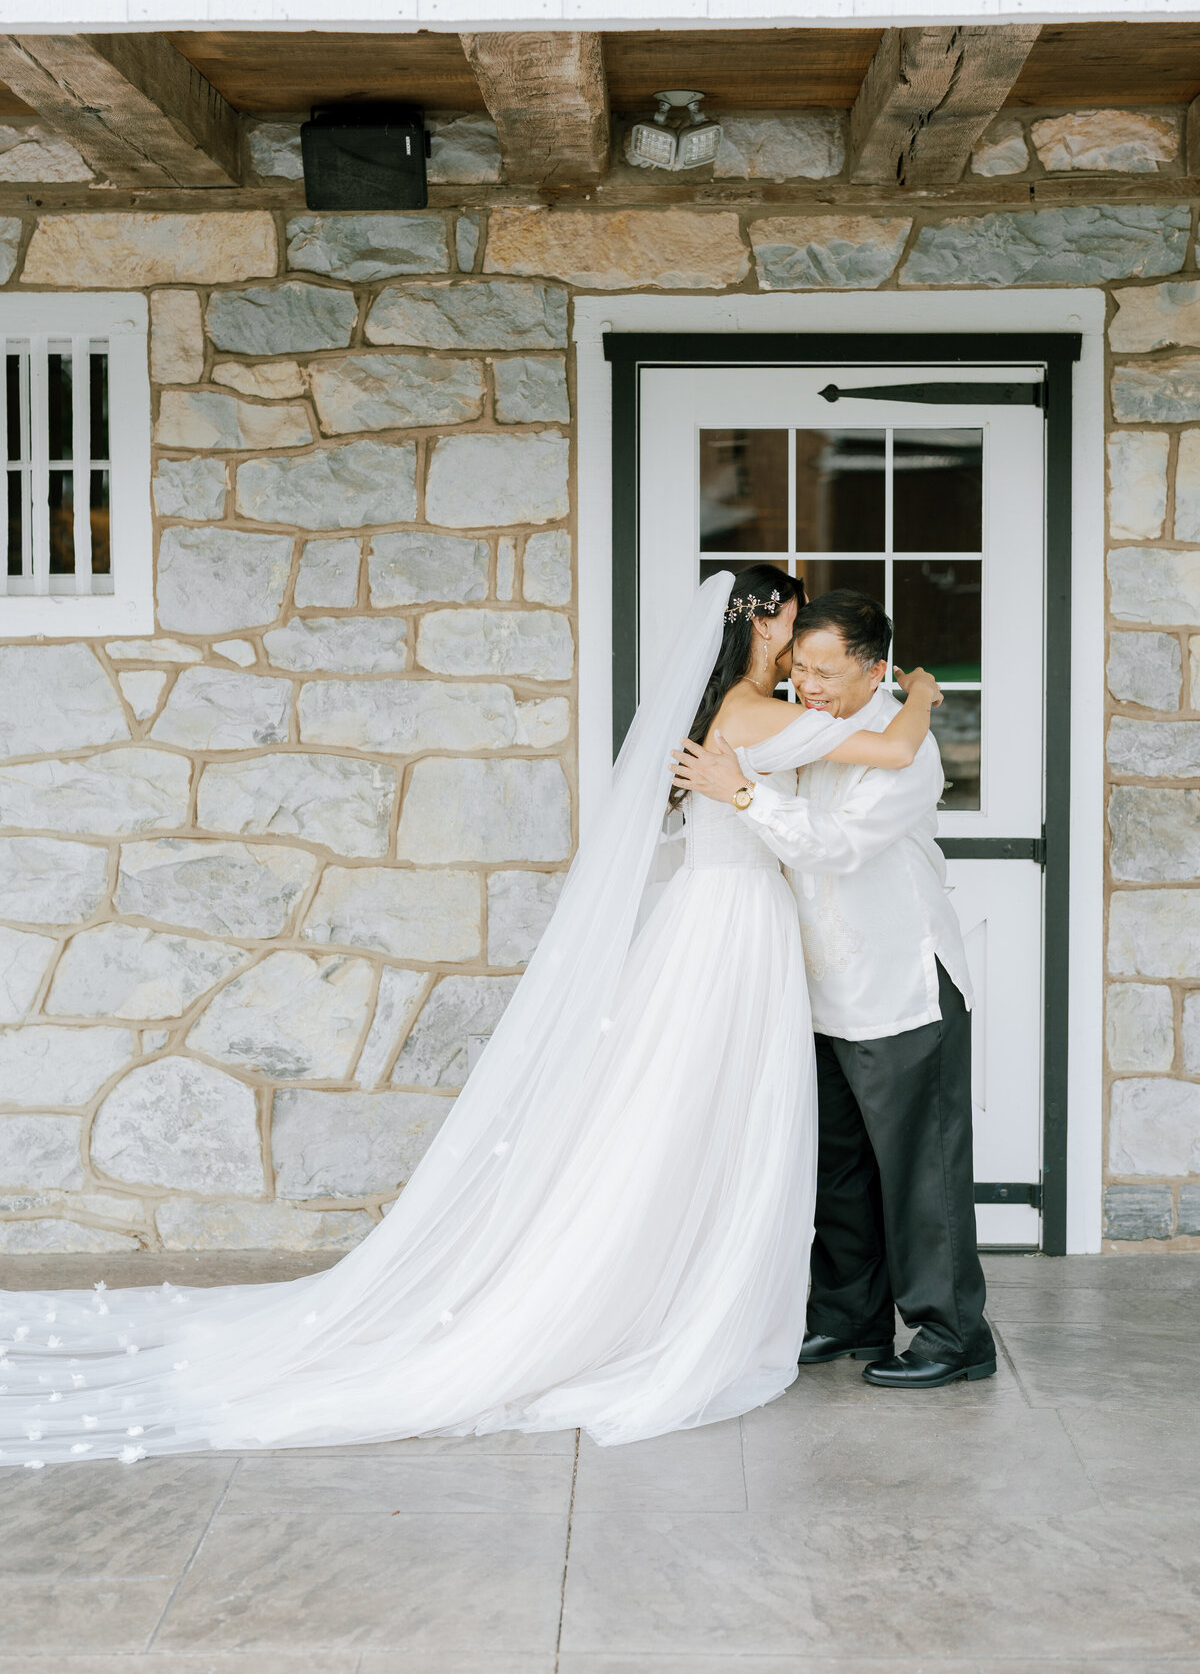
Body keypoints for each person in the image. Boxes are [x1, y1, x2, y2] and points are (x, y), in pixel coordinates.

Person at [0, 568, 940, 1468]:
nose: (803, 655)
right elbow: (894, 747)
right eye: (794, 630)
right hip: (737, 927)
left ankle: (725, 1288)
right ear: (763, 621)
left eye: (820, 649)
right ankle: (688, 1297)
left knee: (690, 1112)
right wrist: (924, 691)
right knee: (710, 1112)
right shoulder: (750, 712)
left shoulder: (728, 713)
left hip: (723, 919)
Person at [670, 588, 996, 1389]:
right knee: (839, 1170)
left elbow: (835, 848)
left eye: (823, 671)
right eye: (798, 668)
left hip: (898, 987)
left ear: (874, 668)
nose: (805, 685)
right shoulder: (819, 727)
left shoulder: (903, 747)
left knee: (922, 1169)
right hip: (813, 987)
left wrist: (739, 792)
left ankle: (955, 1335)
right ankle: (848, 1319)